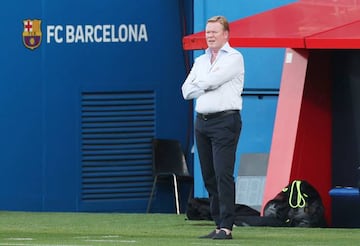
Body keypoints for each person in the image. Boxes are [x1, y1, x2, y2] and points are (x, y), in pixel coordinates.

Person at [181, 15, 244, 240]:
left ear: (225, 34)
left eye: (214, 32)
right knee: (208, 175)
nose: (210, 36)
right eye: (208, 32)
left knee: (222, 174)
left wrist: (203, 83)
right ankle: (218, 223)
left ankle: (227, 226)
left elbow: (211, 82)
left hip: (225, 121)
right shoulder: (200, 61)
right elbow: (186, 91)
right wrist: (204, 83)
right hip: (202, 122)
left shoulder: (234, 58)